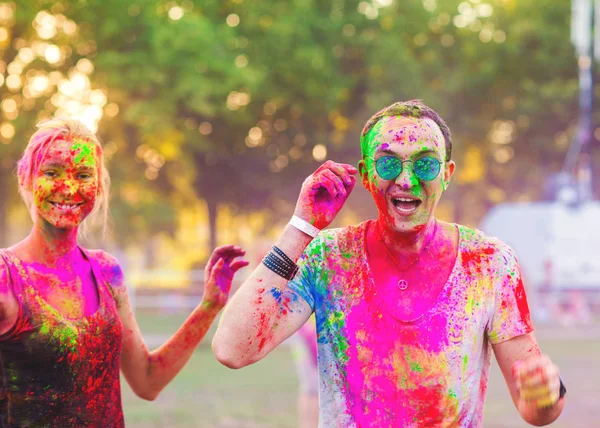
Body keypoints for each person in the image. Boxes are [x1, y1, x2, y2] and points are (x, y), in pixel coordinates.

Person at [212, 100, 566, 427]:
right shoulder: (328, 257)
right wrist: (301, 227)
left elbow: (536, 408)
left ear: (447, 173)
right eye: (389, 163)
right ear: (366, 174)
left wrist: (547, 394)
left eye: (425, 164)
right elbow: (231, 350)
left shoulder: (488, 262)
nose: (406, 180)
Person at [0, 118, 248, 426]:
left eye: (83, 174)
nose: (68, 188)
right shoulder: (7, 276)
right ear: (26, 178)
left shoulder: (106, 272)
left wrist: (209, 306)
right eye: (51, 172)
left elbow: (147, 381)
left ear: (99, 187)